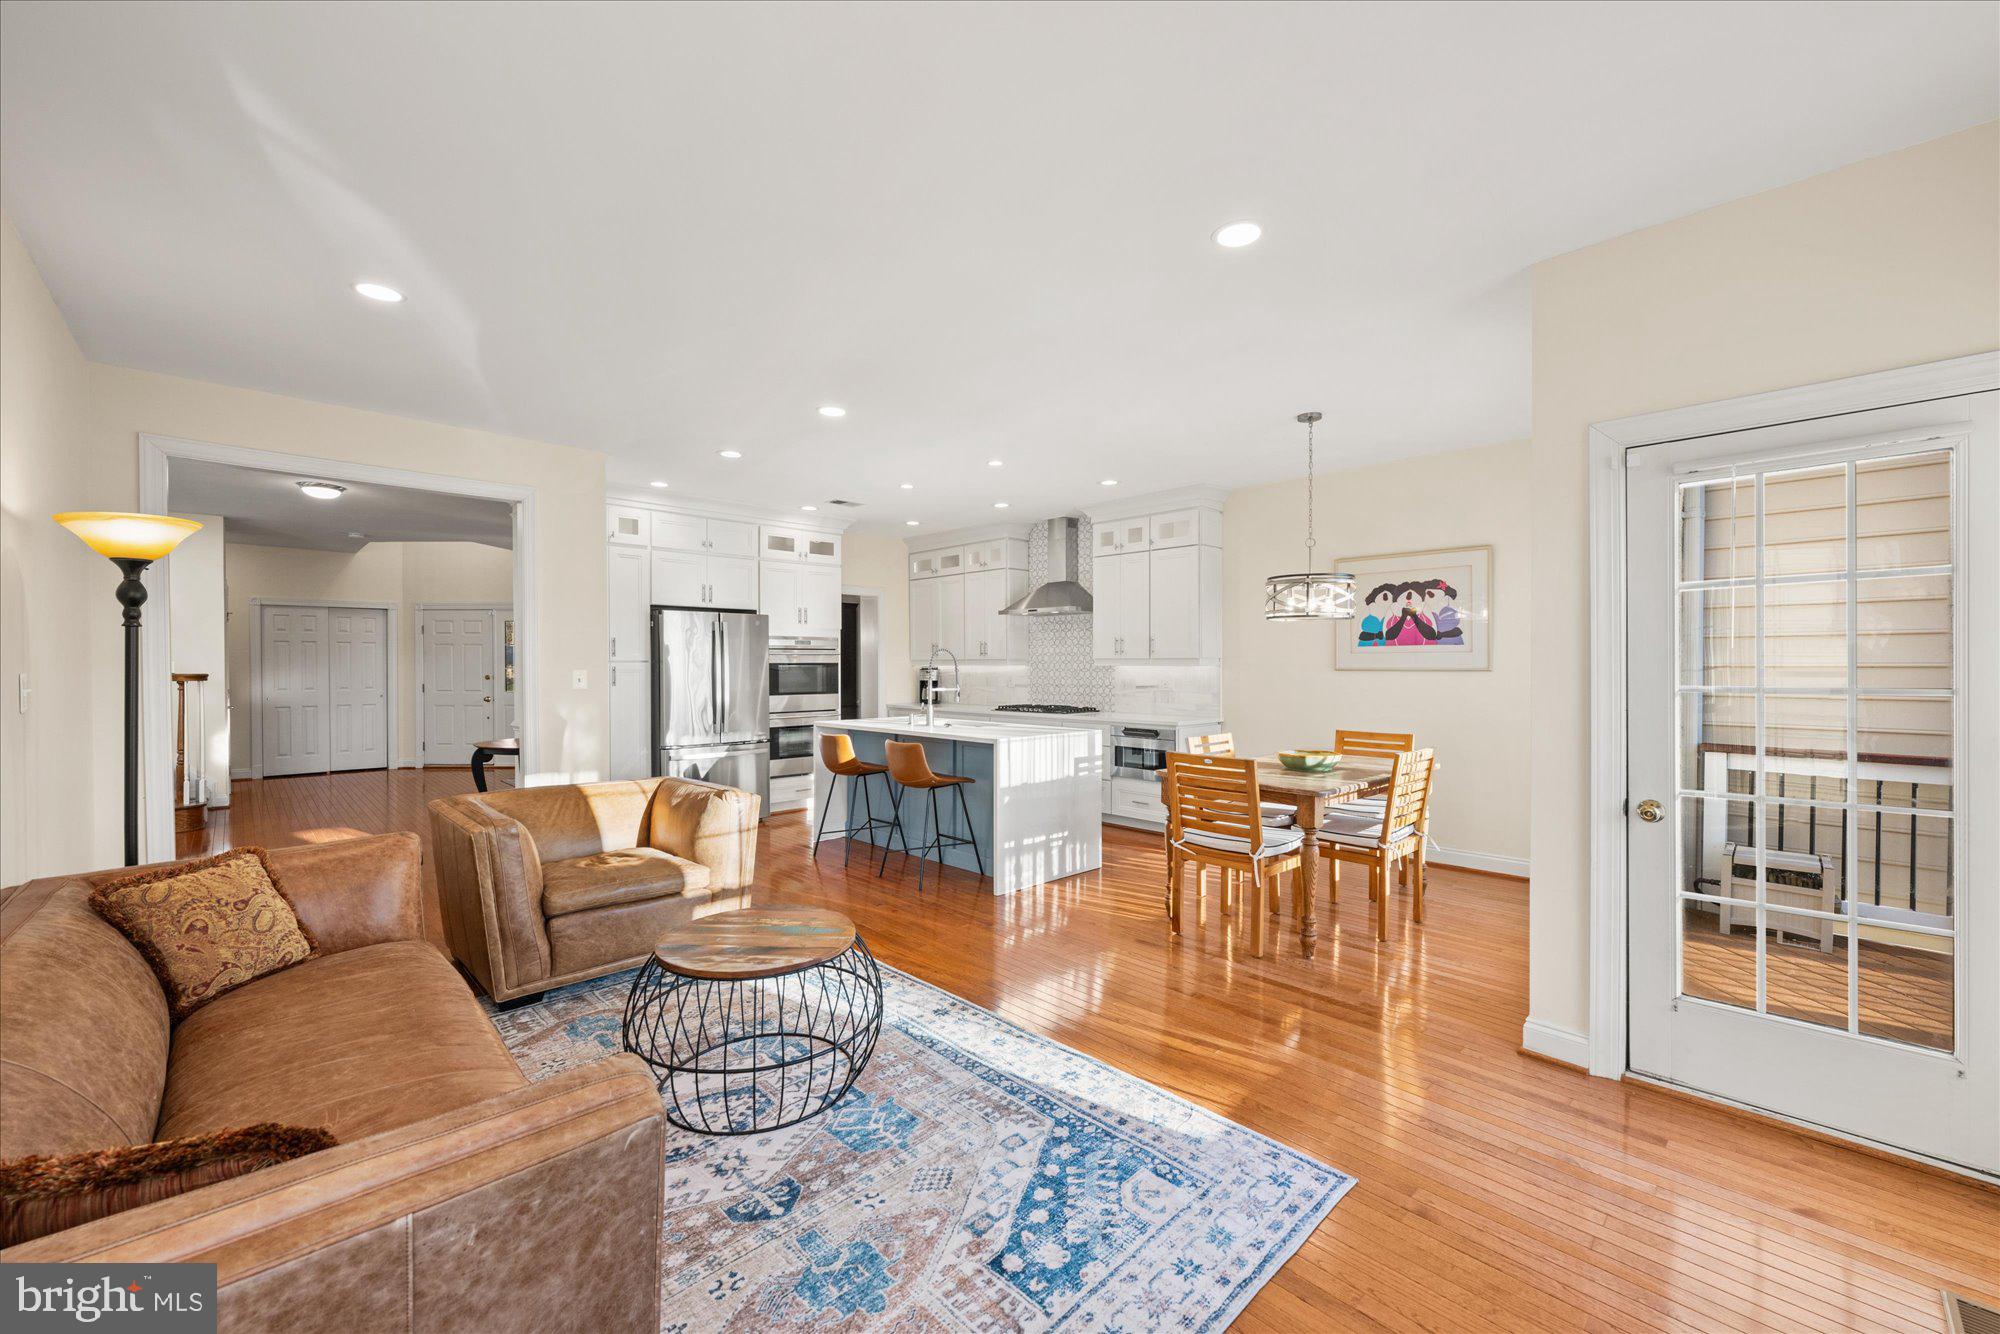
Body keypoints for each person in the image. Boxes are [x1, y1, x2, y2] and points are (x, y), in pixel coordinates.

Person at [1422, 579, 1464, 646]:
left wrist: (1442, 634)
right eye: (1424, 595)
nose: (1427, 596)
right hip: (1435, 644)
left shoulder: (1451, 604)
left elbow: (1461, 628)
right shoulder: (1426, 610)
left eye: (1430, 593)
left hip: (1455, 641)